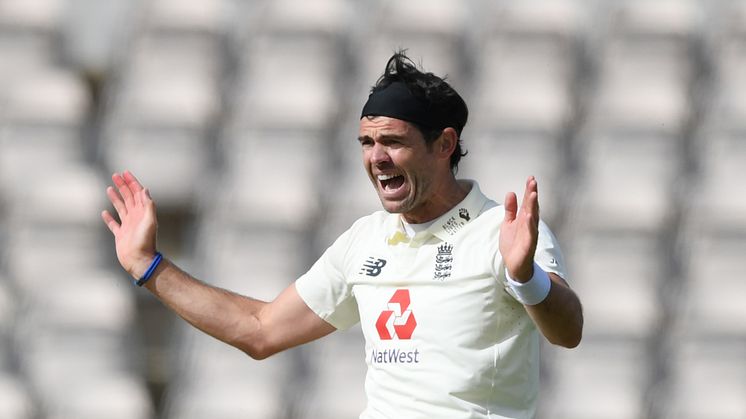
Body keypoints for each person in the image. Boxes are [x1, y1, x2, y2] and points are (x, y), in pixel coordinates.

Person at [102, 51, 583, 419]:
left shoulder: (503, 232)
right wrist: (149, 266)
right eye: (367, 143)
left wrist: (525, 279)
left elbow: (568, 331)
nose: (376, 158)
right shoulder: (365, 240)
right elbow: (260, 331)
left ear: (444, 144)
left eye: (393, 141)